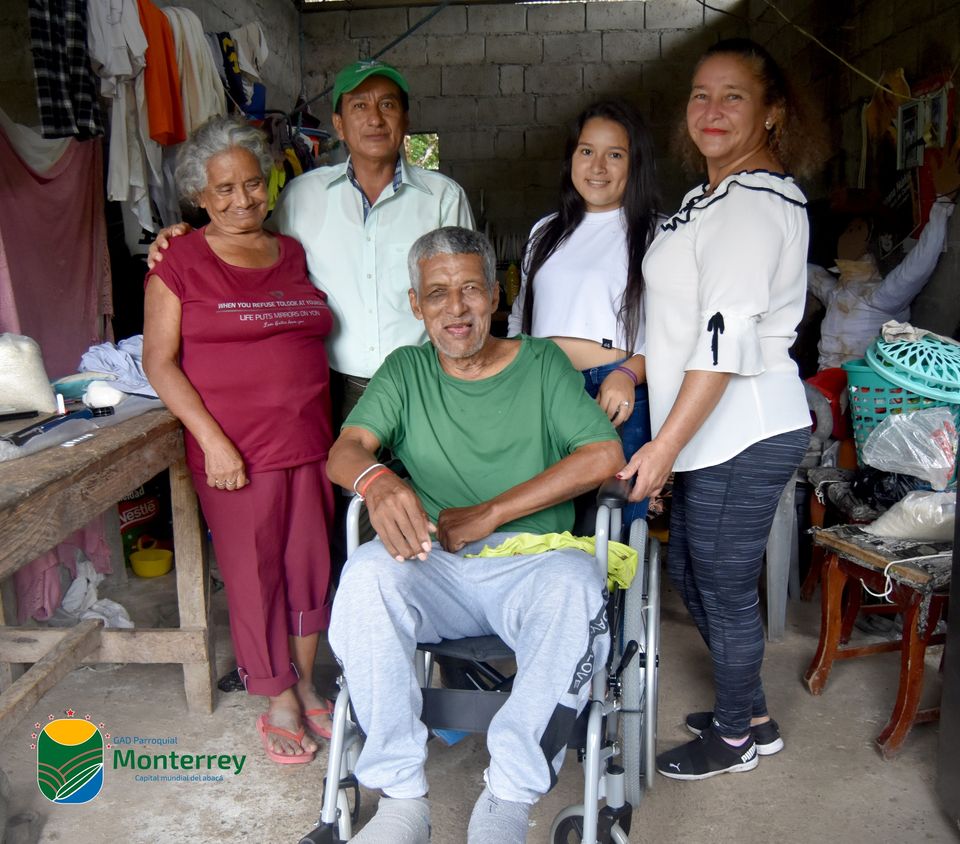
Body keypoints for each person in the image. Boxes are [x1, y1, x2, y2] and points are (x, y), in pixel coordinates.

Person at [326, 226, 624, 843]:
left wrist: (490, 513)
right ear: (417, 304)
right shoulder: (406, 370)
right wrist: (377, 480)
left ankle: (507, 801)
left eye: (470, 289)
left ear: (494, 294)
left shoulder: (540, 364)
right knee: (365, 576)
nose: (455, 308)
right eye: (437, 294)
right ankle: (401, 803)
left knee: (577, 582)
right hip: (434, 564)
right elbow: (346, 449)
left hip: (532, 565)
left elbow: (602, 455)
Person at [619, 38, 826, 780]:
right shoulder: (708, 199)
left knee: (722, 584)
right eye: (700, 95)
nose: (711, 110)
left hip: (745, 425)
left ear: (772, 113)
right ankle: (754, 717)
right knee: (692, 569)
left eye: (733, 95)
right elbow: (679, 332)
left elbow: (721, 345)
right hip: (712, 427)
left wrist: (663, 448)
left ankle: (736, 737)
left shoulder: (754, 205)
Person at [142, 115, 336, 764]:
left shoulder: (292, 253)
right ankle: (276, 694)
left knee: (309, 568)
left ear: (269, 182)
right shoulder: (178, 261)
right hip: (235, 451)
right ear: (199, 195)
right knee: (254, 576)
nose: (241, 199)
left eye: (251, 184)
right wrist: (211, 441)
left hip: (309, 441)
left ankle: (304, 680)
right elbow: (159, 361)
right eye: (223, 189)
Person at [149, 59, 475, 424]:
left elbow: (467, 295)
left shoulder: (443, 198)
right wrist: (185, 239)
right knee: (341, 464)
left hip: (425, 382)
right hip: (335, 389)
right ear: (339, 124)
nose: (375, 119)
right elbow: (247, 240)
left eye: (387, 104)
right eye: (359, 106)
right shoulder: (302, 195)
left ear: (406, 119)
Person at [507, 101, 660, 529]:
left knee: (611, 525)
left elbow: (676, 330)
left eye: (615, 154)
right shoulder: (545, 231)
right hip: (544, 388)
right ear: (571, 158)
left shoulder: (655, 232)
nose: (598, 167)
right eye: (586, 151)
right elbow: (520, 315)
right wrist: (518, 372)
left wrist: (629, 373)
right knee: (543, 519)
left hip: (614, 390)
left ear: (635, 163)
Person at [809, 192, 956, 370]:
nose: (849, 235)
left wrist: (940, 211)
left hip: (862, 377)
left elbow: (919, 265)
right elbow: (812, 275)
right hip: (826, 374)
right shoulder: (838, 291)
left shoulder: (878, 296)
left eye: (858, 229)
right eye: (849, 230)